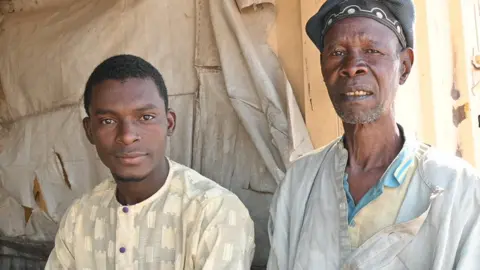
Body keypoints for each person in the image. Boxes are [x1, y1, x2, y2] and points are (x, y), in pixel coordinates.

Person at [267, 0, 480, 269]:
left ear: (404, 66)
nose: (353, 66)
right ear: (322, 69)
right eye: (336, 52)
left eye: (372, 50)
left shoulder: (457, 188)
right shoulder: (298, 185)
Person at [45, 54, 255, 269]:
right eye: (108, 121)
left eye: (145, 117)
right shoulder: (80, 217)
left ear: (170, 123)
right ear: (90, 131)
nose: (127, 135)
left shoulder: (214, 213)